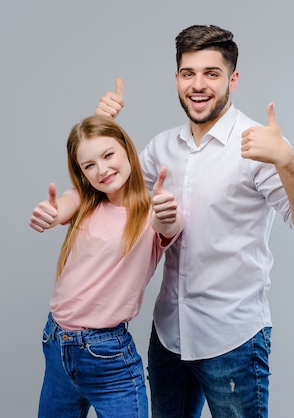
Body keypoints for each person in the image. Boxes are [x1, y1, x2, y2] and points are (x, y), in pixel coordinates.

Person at [93, 25, 294, 417]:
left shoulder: (260, 144)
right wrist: (102, 126)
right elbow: (115, 204)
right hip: (169, 336)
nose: (198, 85)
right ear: (177, 79)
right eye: (188, 73)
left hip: (233, 341)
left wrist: (287, 160)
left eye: (212, 73)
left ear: (232, 80)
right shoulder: (162, 146)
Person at [29, 115, 183, 418]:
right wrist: (47, 213)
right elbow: (60, 208)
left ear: (127, 149)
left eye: (109, 155)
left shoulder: (150, 213)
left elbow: (168, 225)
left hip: (107, 355)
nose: (102, 170)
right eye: (89, 166)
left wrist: (167, 213)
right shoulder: (83, 201)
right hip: (57, 343)